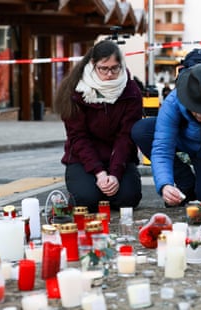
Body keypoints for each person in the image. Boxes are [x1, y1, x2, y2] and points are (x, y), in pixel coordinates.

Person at [131, 63, 201, 207]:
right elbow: (162, 148)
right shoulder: (173, 101)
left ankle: (198, 187)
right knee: (142, 130)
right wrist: (165, 184)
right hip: (182, 139)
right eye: (195, 108)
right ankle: (185, 180)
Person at [55, 40, 143, 212]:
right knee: (87, 201)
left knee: (128, 199)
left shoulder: (131, 91)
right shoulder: (76, 91)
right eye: (104, 68)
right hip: (83, 159)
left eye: (115, 68)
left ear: (121, 65)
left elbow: (126, 136)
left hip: (119, 159)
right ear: (93, 65)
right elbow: (78, 137)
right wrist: (99, 173)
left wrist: (115, 174)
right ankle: (92, 188)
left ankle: (108, 188)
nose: (109, 74)